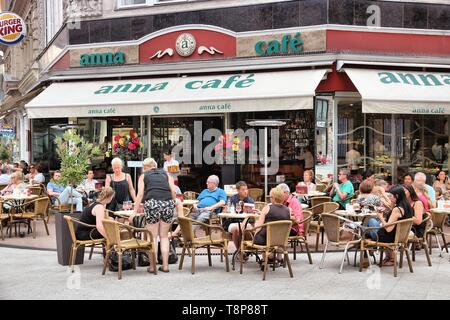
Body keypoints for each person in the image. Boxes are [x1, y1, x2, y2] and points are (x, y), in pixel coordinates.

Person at [133, 157, 181, 273]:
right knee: (164, 236)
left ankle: (153, 266)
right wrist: (173, 201)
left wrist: (134, 211)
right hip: (167, 203)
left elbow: (140, 194)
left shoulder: (144, 176)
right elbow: (173, 190)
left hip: (152, 203)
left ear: (146, 167)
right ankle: (165, 266)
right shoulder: (166, 174)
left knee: (152, 237)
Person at [366, 185, 414, 265]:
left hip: (390, 237)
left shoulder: (397, 209)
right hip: (400, 236)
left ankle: (370, 250)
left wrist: (380, 217)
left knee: (370, 223)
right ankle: (386, 256)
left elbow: (388, 229)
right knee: (371, 225)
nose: (390, 198)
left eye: (391, 196)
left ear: (397, 196)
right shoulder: (407, 206)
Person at [254, 187, 292, 268]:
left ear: (273, 198)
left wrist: (254, 229)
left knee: (260, 231)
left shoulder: (267, 208)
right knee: (269, 233)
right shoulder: (288, 210)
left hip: (265, 240)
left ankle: (265, 260)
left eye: (270, 197)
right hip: (281, 240)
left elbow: (259, 226)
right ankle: (277, 258)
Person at [221, 181, 255, 255]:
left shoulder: (250, 200)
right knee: (236, 229)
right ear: (238, 190)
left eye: (246, 189)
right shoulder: (232, 199)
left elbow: (253, 215)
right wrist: (226, 210)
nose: (245, 191)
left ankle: (246, 251)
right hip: (232, 221)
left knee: (248, 229)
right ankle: (240, 252)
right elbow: (225, 211)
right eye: (243, 190)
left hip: (246, 222)